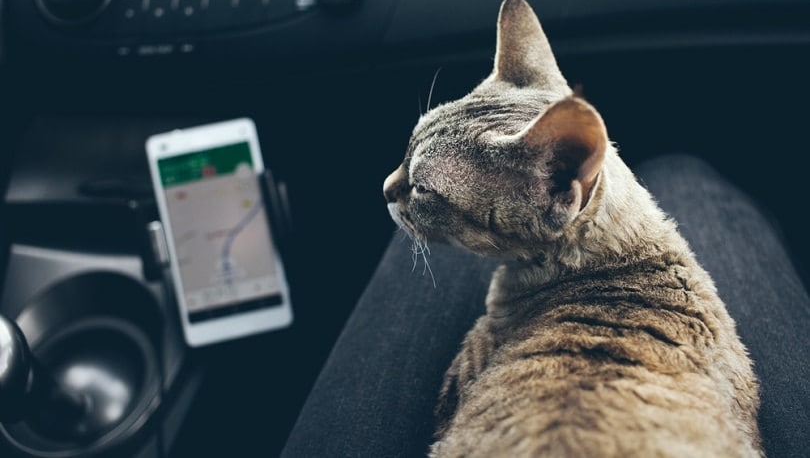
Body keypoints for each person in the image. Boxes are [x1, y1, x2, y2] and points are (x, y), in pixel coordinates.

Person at [280, 155, 810, 458]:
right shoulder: (693, 312)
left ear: (561, 190)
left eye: (417, 187)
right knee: (688, 173)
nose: (388, 187)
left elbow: (447, 423)